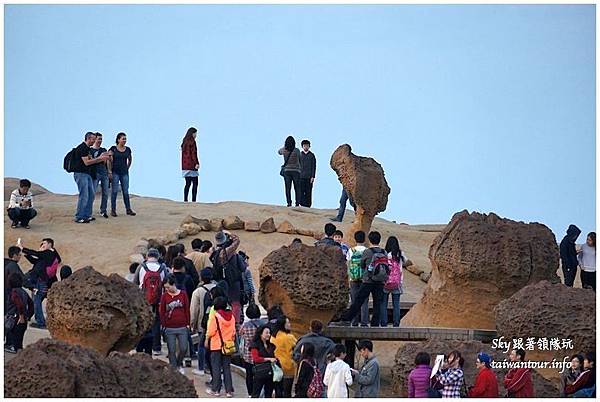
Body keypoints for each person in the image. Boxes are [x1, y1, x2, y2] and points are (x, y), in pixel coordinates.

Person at [335, 231, 387, 327]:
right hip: (380, 281)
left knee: (359, 300)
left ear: (370, 240)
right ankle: (374, 323)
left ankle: (348, 318)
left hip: (368, 280)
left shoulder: (368, 252)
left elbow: (362, 265)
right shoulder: (384, 252)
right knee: (377, 303)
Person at [20, 238, 61, 329]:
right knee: (36, 300)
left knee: (37, 300)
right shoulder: (48, 256)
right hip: (42, 281)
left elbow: (36, 254)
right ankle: (30, 316)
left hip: (40, 281)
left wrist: (22, 249)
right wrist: (27, 255)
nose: (42, 245)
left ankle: (41, 323)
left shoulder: (49, 253)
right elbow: (36, 261)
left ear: (50, 244)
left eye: (44, 244)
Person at [71, 132, 111, 223]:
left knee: (91, 194)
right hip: (81, 174)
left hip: (88, 174)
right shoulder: (82, 148)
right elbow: (87, 162)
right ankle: (79, 216)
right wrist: (100, 158)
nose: (94, 141)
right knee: (84, 195)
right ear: (88, 138)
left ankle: (87, 215)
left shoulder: (87, 149)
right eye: (93, 139)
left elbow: (90, 160)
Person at [136, 248, 168, 355]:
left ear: (147, 256)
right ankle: (157, 347)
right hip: (159, 299)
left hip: (144, 299)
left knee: (144, 321)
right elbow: (167, 283)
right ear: (158, 257)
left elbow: (135, 282)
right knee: (156, 322)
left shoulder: (141, 267)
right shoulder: (162, 268)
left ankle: (141, 347)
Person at [210, 231, 245, 325]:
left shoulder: (214, 252)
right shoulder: (226, 252)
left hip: (222, 280)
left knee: (224, 302)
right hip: (232, 281)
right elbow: (237, 241)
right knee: (235, 303)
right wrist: (229, 233)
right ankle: (234, 323)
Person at [205, 297, 236, 398]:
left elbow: (211, 331)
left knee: (216, 368)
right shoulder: (231, 316)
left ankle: (216, 390)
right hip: (227, 346)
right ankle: (229, 391)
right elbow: (233, 332)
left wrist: (206, 339)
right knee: (227, 368)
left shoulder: (215, 316)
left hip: (216, 345)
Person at [159, 274, 190, 373]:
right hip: (169, 327)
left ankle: (179, 363)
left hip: (182, 325)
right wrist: (163, 324)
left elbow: (187, 309)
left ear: (173, 284)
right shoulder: (164, 296)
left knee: (183, 348)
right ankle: (174, 367)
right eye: (165, 288)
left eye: (168, 287)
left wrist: (188, 323)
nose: (167, 289)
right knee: (171, 350)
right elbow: (162, 311)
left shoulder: (183, 294)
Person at [190, 268, 217, 376]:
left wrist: (192, 323)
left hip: (203, 323)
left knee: (201, 346)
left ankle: (202, 367)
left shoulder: (198, 291)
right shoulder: (217, 288)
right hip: (216, 323)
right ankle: (213, 368)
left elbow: (194, 309)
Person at [240, 303, 267, 396]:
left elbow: (241, 335)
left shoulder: (245, 325)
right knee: (261, 374)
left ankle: (250, 393)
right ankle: (261, 393)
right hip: (261, 354)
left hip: (248, 354)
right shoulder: (264, 324)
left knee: (249, 375)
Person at [108, 132, 136, 217]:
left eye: (125, 139)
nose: (124, 140)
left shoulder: (127, 149)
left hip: (124, 173)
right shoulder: (113, 149)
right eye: (123, 139)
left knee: (125, 191)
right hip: (115, 172)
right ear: (118, 139)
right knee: (114, 191)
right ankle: (113, 210)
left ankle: (128, 209)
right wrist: (109, 171)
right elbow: (108, 159)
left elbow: (130, 159)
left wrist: (127, 167)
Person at [5, 273, 33, 353]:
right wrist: (28, 315)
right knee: (19, 343)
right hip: (23, 321)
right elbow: (31, 304)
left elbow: (19, 304)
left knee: (14, 340)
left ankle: (13, 348)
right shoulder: (24, 292)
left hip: (15, 319)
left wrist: (21, 316)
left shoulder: (14, 292)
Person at [271, 315, 298, 397]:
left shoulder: (272, 337)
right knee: (287, 392)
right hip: (288, 367)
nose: (290, 324)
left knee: (278, 391)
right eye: (288, 323)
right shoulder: (289, 338)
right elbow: (296, 348)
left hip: (276, 368)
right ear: (283, 325)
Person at [249, 325, 278, 398]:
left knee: (269, 393)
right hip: (260, 372)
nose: (268, 334)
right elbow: (256, 359)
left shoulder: (271, 345)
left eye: (269, 333)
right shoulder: (255, 345)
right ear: (260, 334)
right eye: (266, 333)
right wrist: (268, 359)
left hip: (270, 372)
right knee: (256, 393)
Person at [381, 236, 404, 327]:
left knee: (383, 303)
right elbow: (405, 263)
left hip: (385, 281)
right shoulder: (400, 254)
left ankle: (383, 323)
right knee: (396, 304)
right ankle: (396, 323)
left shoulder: (385, 253)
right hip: (397, 282)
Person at [347, 231, 369, 327]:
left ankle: (354, 322)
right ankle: (364, 322)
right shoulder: (367, 251)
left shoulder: (351, 250)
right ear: (364, 239)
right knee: (364, 301)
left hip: (353, 278)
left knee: (354, 301)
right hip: (365, 279)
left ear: (355, 239)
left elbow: (348, 263)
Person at [278, 135, 302, 207]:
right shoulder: (297, 150)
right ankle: (297, 203)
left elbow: (279, 152)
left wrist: (285, 146)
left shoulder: (284, 150)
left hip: (287, 170)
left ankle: (289, 203)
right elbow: (300, 159)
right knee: (297, 188)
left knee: (288, 188)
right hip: (296, 171)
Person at [90, 133, 110, 218]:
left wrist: (109, 171)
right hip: (95, 173)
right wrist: (100, 158)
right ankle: (89, 212)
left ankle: (103, 211)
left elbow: (106, 161)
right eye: (99, 139)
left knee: (105, 192)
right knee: (92, 193)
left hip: (104, 173)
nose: (100, 141)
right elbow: (90, 161)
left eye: (101, 139)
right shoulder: (90, 150)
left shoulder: (103, 149)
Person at [181, 127, 200, 202]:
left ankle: (185, 200)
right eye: (195, 133)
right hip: (192, 165)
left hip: (185, 166)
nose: (196, 135)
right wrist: (196, 163)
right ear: (192, 133)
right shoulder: (192, 142)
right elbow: (193, 154)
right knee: (195, 183)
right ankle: (194, 201)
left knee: (187, 183)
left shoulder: (184, 142)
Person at [299, 139, 316, 208]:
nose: (306, 147)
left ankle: (308, 205)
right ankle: (302, 204)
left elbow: (314, 166)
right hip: (301, 176)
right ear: (302, 146)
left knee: (309, 192)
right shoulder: (300, 155)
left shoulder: (312, 155)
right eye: (304, 145)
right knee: (301, 191)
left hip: (309, 177)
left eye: (307, 146)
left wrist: (313, 176)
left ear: (309, 146)